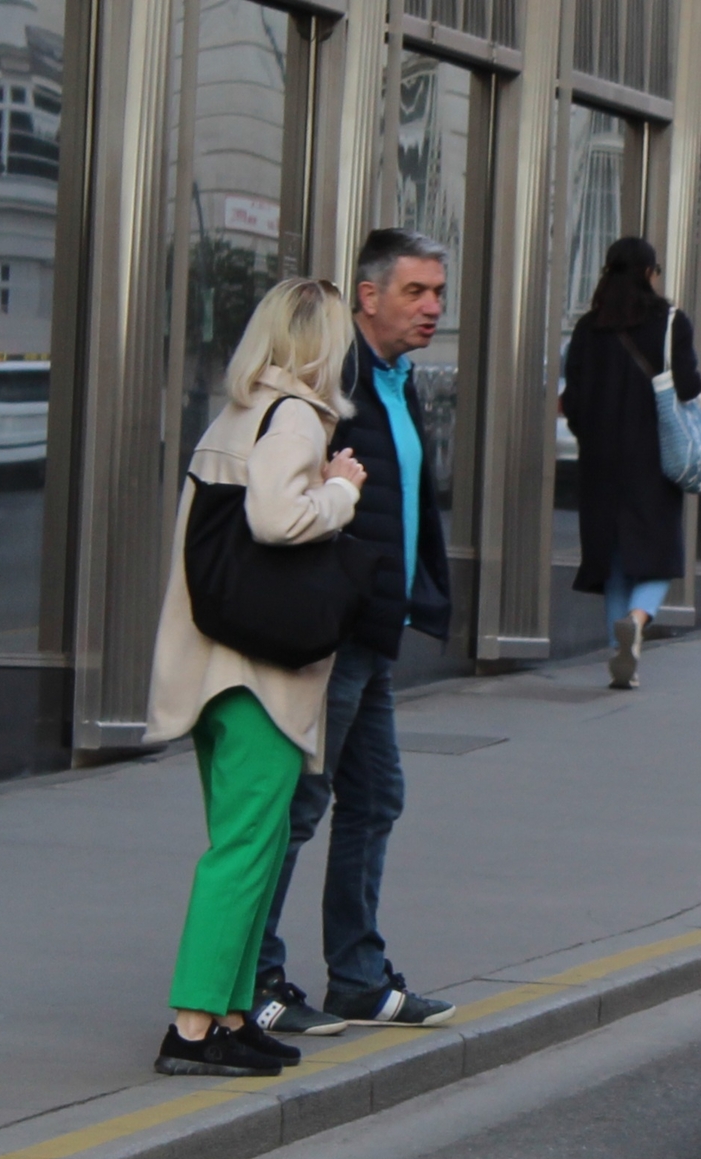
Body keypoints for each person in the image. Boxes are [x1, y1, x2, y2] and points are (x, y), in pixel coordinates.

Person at [144, 278, 369, 1075]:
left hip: (211, 670)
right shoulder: (298, 416)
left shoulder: (234, 414)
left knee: (255, 845)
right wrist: (339, 491)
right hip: (257, 676)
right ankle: (194, 1026)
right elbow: (277, 519)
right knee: (244, 851)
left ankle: (233, 1014)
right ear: (322, 344)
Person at [249, 229, 458, 1038]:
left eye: (438, 292)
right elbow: (295, 505)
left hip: (375, 630)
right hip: (333, 632)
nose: (433, 307)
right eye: (416, 292)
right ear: (367, 297)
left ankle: (359, 979)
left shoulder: (400, 382)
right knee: (300, 803)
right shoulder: (331, 382)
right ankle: (257, 978)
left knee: (375, 798)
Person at [561, 236, 701, 690]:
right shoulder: (669, 322)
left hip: (600, 460)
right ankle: (637, 624)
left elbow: (574, 399)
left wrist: (592, 434)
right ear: (648, 273)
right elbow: (688, 384)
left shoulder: (588, 328)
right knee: (658, 558)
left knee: (615, 562)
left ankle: (623, 656)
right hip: (652, 455)